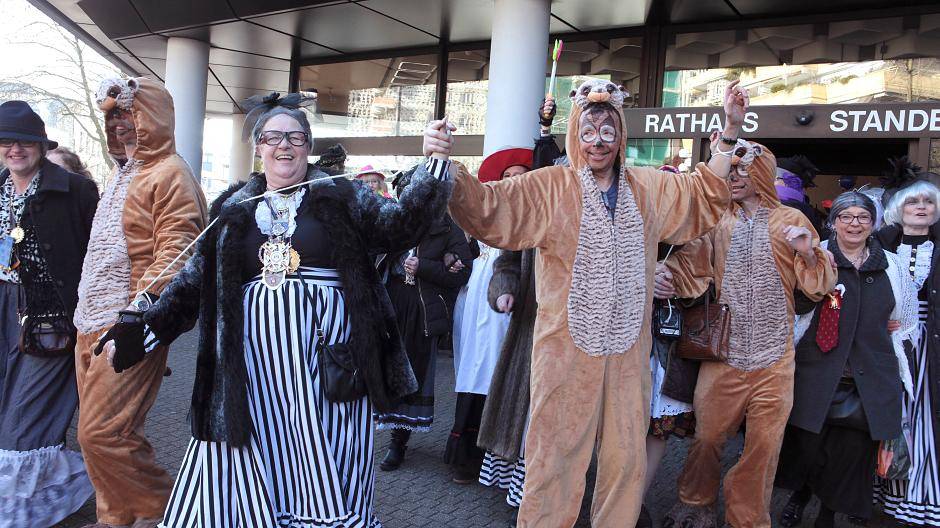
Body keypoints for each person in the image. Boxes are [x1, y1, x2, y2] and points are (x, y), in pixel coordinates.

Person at [110, 92, 453, 527]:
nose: (283, 146)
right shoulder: (233, 209)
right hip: (254, 372)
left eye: (295, 137)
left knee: (330, 460)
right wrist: (144, 329)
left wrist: (434, 164)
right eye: (272, 138)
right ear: (258, 148)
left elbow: (401, 224)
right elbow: (194, 280)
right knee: (255, 466)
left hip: (329, 365)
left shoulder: (342, 194)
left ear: (309, 146)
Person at [441, 76, 742, 527]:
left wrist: (730, 133)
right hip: (565, 351)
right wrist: (445, 164)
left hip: (627, 353)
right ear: (574, 135)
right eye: (587, 133)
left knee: (625, 460)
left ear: (620, 136)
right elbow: (490, 206)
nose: (597, 144)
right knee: (553, 456)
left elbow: (699, 198)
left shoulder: (648, 188)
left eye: (607, 133)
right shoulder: (549, 188)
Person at [661, 140, 836, 528]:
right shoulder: (717, 218)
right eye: (732, 171)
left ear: (761, 174)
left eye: (742, 171)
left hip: (775, 359)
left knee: (763, 447)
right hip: (725, 354)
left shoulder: (791, 219)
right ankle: (695, 502)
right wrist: (668, 277)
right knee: (706, 438)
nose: (735, 177)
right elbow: (692, 264)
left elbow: (818, 286)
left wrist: (808, 253)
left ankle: (748, 517)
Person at [73, 77, 208, 528]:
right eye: (113, 117)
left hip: (127, 322)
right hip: (87, 321)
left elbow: (178, 247)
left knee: (100, 434)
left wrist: (137, 314)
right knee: (111, 436)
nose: (120, 124)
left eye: (128, 114)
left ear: (152, 117)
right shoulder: (121, 173)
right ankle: (115, 518)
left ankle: (169, 511)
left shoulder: (170, 171)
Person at [777, 191, 918, 528]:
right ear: (834, 221)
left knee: (852, 457)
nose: (855, 223)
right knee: (809, 447)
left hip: (869, 376)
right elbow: (795, 307)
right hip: (817, 370)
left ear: (874, 223)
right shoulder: (816, 254)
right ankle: (801, 495)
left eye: (863, 217)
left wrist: (894, 331)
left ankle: (828, 513)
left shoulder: (893, 265)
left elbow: (908, 320)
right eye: (846, 216)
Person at [0, 100, 98, 527]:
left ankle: (42, 501)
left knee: (24, 421)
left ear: (40, 144)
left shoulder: (75, 190)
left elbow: (99, 259)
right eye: (6, 141)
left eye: (24, 140)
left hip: (50, 315)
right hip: (2, 305)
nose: (14, 149)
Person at [477, 98, 562, 514]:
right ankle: (524, 493)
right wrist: (505, 290)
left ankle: (554, 493)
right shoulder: (523, 218)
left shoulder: (568, 205)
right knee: (526, 408)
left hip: (572, 326)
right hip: (531, 323)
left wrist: (546, 127)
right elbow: (506, 262)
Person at [376, 165, 473, 470]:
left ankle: (398, 441)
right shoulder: (392, 221)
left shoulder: (447, 228)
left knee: (412, 376)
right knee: (379, 371)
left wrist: (425, 268)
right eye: (408, 191)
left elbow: (462, 272)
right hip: (388, 306)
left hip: (421, 313)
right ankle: (363, 434)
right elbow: (370, 254)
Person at [446, 145, 531, 485]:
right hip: (478, 290)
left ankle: (500, 456)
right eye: (507, 177)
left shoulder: (532, 214)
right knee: (474, 364)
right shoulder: (486, 210)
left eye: (519, 177)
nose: (512, 183)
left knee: (501, 366)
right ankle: (465, 455)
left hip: (512, 292)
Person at [875, 157, 940, 526]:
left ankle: (923, 498)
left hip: (932, 350)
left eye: (928, 202)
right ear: (900, 209)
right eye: (914, 202)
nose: (921, 208)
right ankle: (891, 498)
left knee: (926, 423)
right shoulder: (879, 247)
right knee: (893, 419)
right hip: (891, 347)